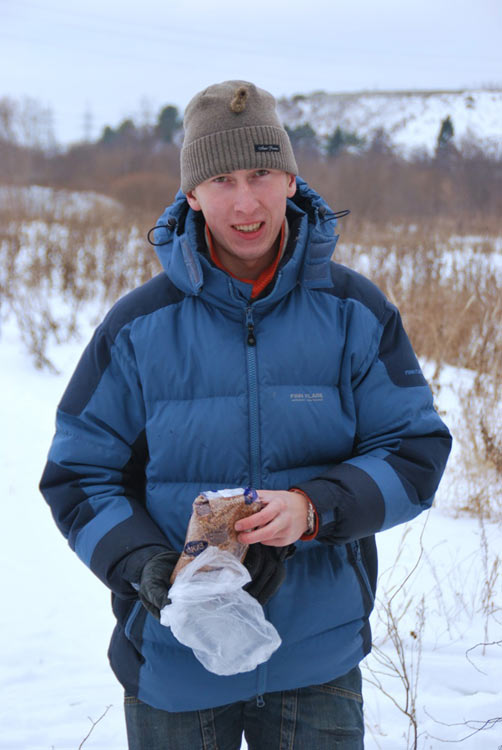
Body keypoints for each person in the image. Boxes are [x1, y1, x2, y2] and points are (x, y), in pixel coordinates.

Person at [40, 80, 452, 749]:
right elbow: (78, 476)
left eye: (261, 173)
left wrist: (314, 508)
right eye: (221, 179)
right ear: (192, 194)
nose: (244, 201)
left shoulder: (355, 313)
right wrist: (142, 562)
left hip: (316, 662)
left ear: (291, 179)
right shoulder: (137, 328)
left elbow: (415, 451)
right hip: (177, 663)